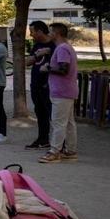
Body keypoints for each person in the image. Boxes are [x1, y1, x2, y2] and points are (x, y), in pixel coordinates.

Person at [40, 22, 79, 164]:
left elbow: (64, 69)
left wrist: (47, 68)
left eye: (50, 32)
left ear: (56, 34)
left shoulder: (62, 49)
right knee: (68, 123)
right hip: (67, 91)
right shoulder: (66, 47)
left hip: (61, 92)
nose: (48, 34)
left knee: (58, 123)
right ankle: (70, 151)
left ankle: (54, 152)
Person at [26, 21, 55, 150]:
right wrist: (37, 55)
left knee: (52, 114)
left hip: (48, 86)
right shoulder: (37, 45)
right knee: (40, 112)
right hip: (35, 84)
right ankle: (43, 138)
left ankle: (59, 143)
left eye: (32, 31)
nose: (31, 34)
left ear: (40, 31)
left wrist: (48, 52)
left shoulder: (54, 45)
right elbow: (28, 62)